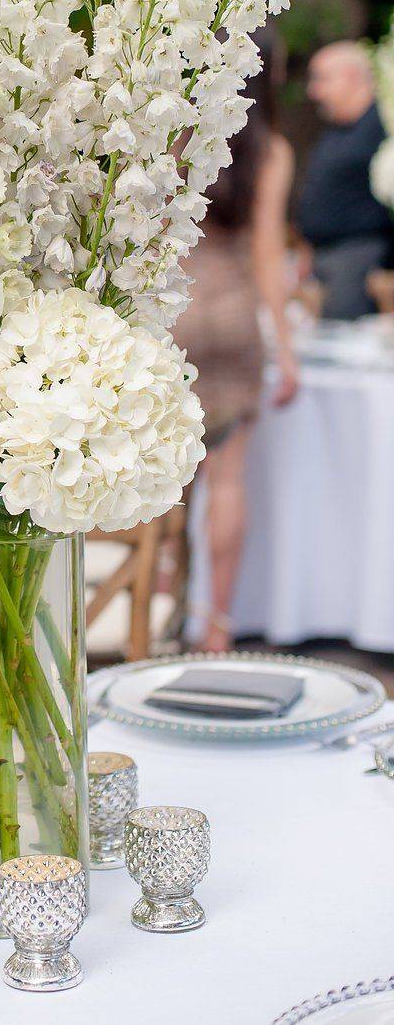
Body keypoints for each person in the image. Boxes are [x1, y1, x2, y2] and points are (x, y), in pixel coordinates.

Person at [173, 39, 297, 653]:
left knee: (165, 481)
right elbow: (269, 257)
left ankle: (160, 606)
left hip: (178, 315)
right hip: (237, 322)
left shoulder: (180, 137)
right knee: (229, 481)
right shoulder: (271, 151)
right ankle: (215, 629)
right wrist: (287, 349)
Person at [297, 41, 393, 320]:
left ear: (351, 76)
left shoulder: (383, 125)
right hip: (323, 256)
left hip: (358, 256)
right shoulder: (336, 129)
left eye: (322, 79)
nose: (313, 91)